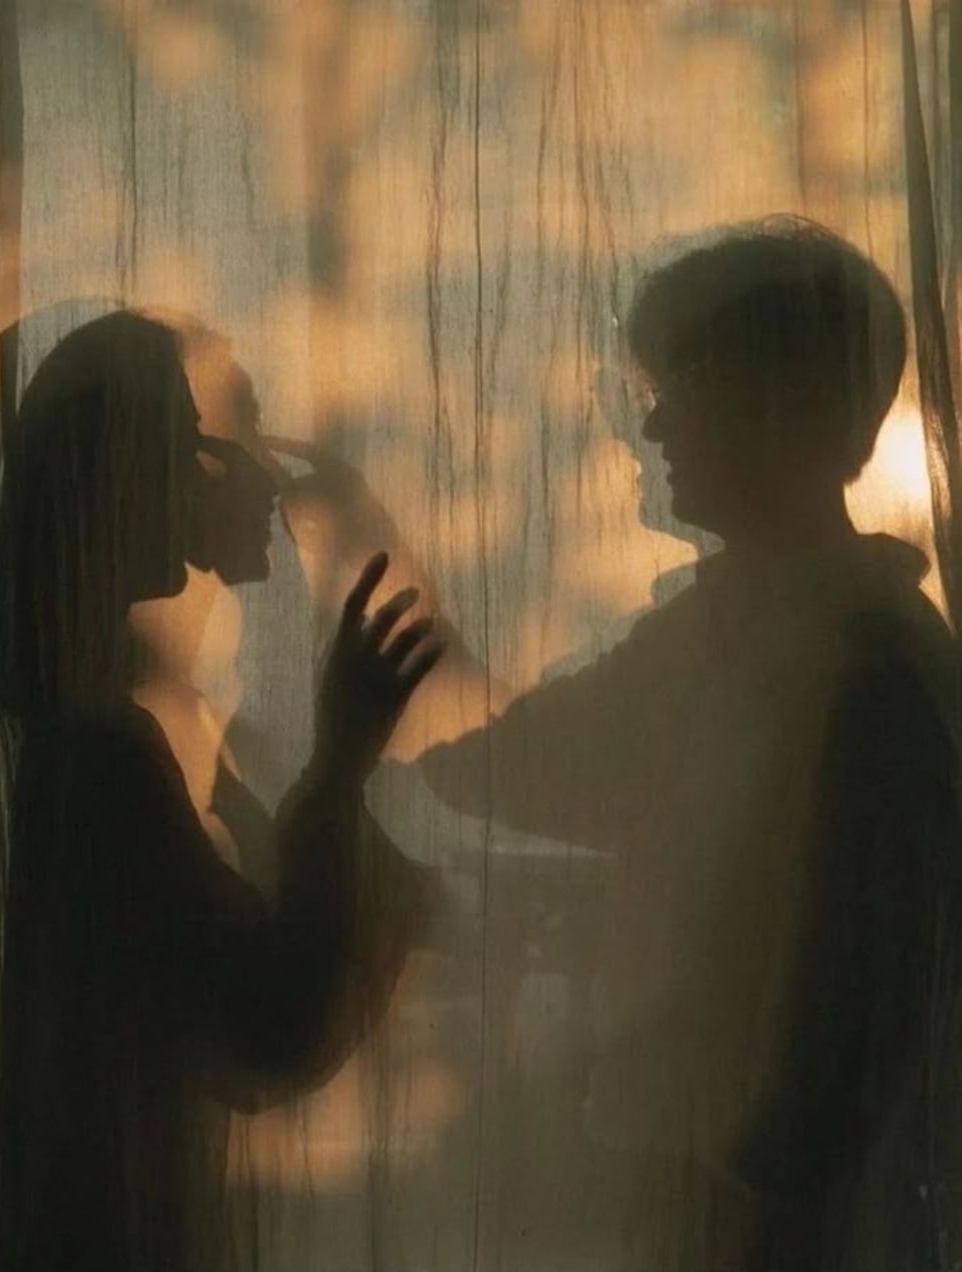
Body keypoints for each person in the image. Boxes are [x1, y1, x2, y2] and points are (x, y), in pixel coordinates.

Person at [308, 220, 960, 1268]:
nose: (651, 425)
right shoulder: (738, 636)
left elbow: (848, 1048)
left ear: (788, 407)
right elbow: (504, 762)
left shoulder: (862, 670)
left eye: (682, 385)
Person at [0, 310, 441, 1272]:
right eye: (194, 443)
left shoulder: (122, 725)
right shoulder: (102, 752)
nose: (241, 474)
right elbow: (270, 1026)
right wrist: (341, 764)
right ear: (112, 472)